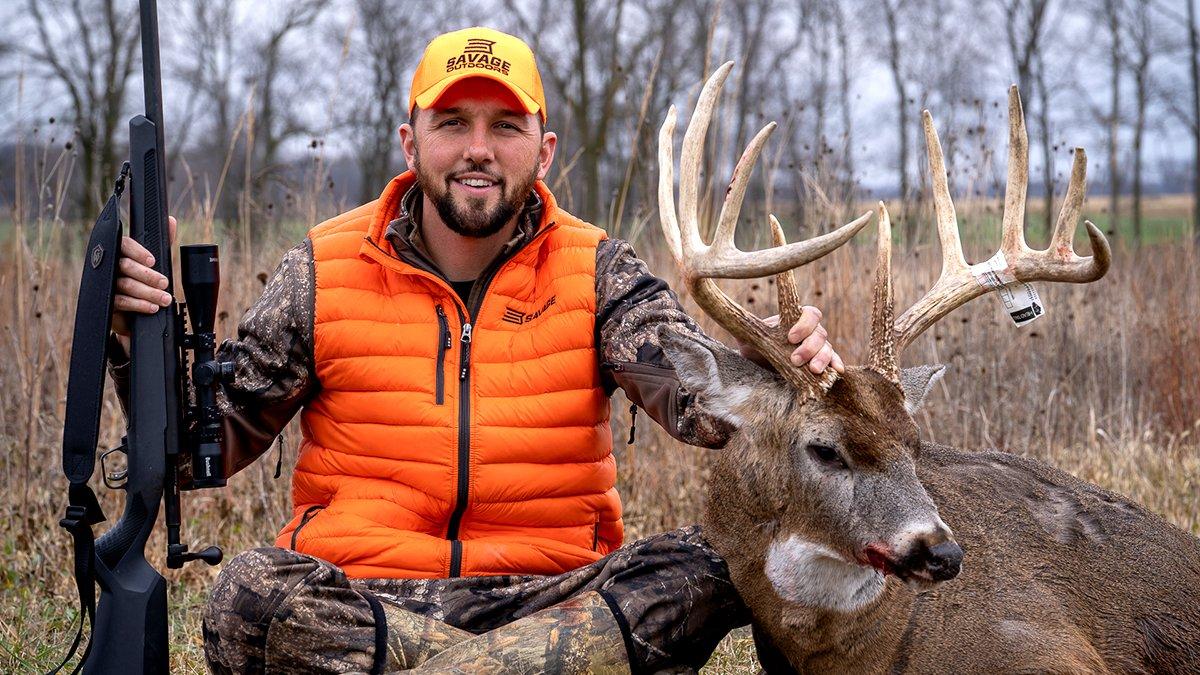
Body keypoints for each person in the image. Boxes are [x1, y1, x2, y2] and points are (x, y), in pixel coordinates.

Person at [108, 26, 842, 674]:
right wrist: (127, 335)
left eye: (506, 125)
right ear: (411, 140)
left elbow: (701, 405)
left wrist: (785, 374)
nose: (478, 150)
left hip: (556, 594)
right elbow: (204, 445)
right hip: (367, 594)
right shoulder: (324, 268)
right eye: (453, 122)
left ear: (545, 150)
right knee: (251, 595)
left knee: (712, 566)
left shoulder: (596, 271)